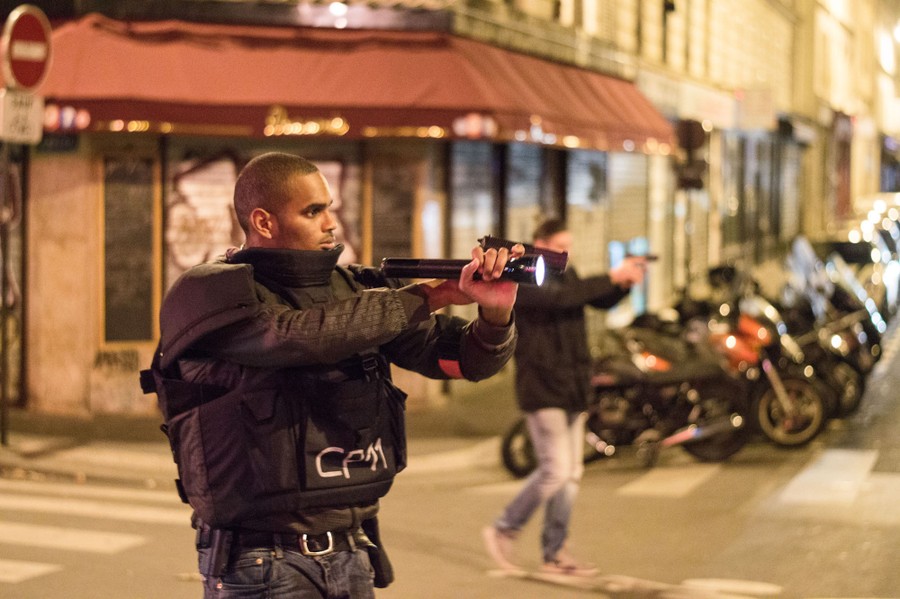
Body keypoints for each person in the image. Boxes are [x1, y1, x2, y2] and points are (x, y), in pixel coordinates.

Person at [141, 152, 522, 598]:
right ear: (264, 221)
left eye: (329, 207)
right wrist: (428, 297)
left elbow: (459, 360)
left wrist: (495, 313)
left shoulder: (356, 289)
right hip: (261, 559)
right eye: (313, 211)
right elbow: (291, 336)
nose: (330, 222)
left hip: (351, 549)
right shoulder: (208, 291)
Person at [482, 217, 647, 577]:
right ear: (539, 242)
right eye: (558, 246)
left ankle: (555, 553)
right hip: (542, 386)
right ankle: (503, 529)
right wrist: (610, 277)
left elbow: (594, 299)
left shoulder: (566, 274)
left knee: (571, 473)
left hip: (572, 386)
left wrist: (623, 285)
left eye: (568, 246)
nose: (564, 253)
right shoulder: (526, 273)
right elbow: (560, 299)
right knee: (555, 471)